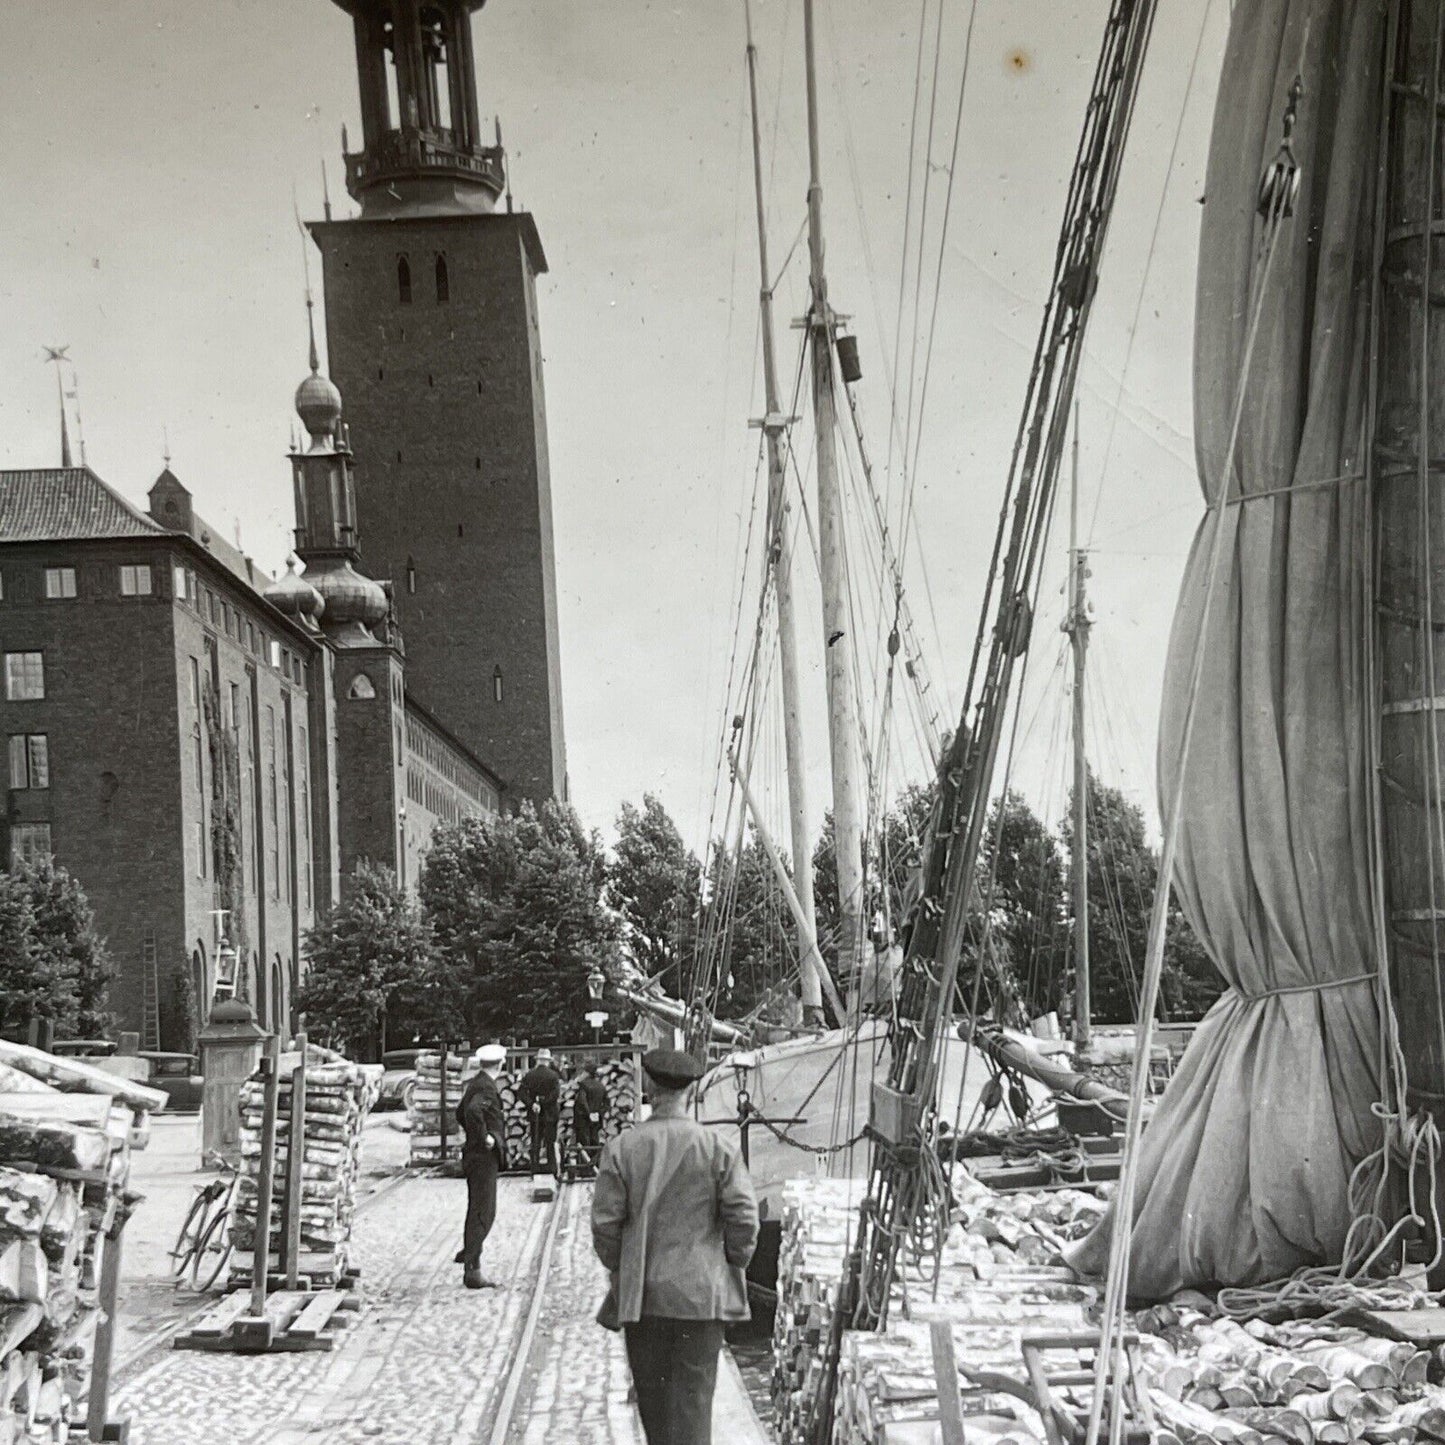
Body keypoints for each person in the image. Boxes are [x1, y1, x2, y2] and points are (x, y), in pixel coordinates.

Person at [591, 1049, 759, 1445]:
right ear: (692, 1088)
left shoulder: (622, 1149)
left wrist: (625, 1268)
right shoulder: (719, 1148)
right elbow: (744, 1219)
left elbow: (605, 1227)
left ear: (648, 1086)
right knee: (694, 1407)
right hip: (701, 1299)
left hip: (644, 1301)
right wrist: (730, 1262)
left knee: (655, 1411)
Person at [456, 1042, 507, 1289]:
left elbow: (460, 1113)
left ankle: (470, 1258)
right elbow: (474, 1111)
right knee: (484, 1211)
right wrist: (485, 1138)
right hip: (483, 1159)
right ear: (500, 1064)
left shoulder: (475, 1083)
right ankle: (472, 1269)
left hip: (474, 1157)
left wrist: (472, 1136)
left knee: (477, 1208)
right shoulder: (486, 1087)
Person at [519, 1047, 562, 1178]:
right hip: (550, 1113)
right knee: (550, 1142)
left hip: (535, 1113)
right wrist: (544, 1103)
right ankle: (552, 1169)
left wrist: (532, 1104)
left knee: (535, 1142)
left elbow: (521, 1092)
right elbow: (555, 1095)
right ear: (548, 1061)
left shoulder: (530, 1075)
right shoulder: (553, 1076)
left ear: (538, 1060)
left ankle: (534, 1169)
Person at [572, 1060, 609, 1174]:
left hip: (583, 1119)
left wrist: (589, 1113)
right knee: (595, 1142)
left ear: (587, 1072)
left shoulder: (583, 1085)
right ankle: (595, 1167)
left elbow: (582, 1101)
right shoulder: (601, 1086)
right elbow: (607, 1103)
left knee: (584, 1143)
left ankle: (584, 1169)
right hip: (596, 1120)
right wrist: (599, 1113)